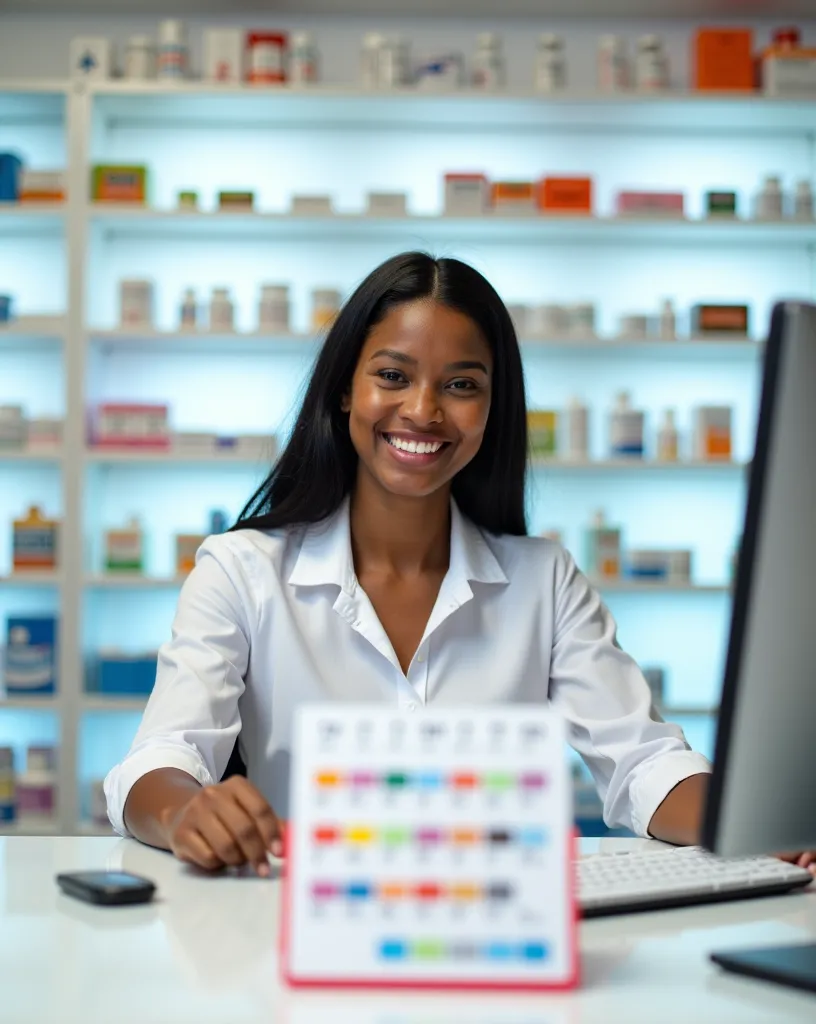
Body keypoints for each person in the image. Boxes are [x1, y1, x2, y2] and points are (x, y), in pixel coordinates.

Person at [105, 252, 816, 878]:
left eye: (462, 385)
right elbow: (160, 759)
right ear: (344, 390)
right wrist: (186, 815)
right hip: (299, 930)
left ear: (492, 408)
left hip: (492, 925)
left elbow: (643, 761)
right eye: (392, 374)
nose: (423, 411)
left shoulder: (544, 581)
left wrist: (756, 830)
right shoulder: (241, 571)